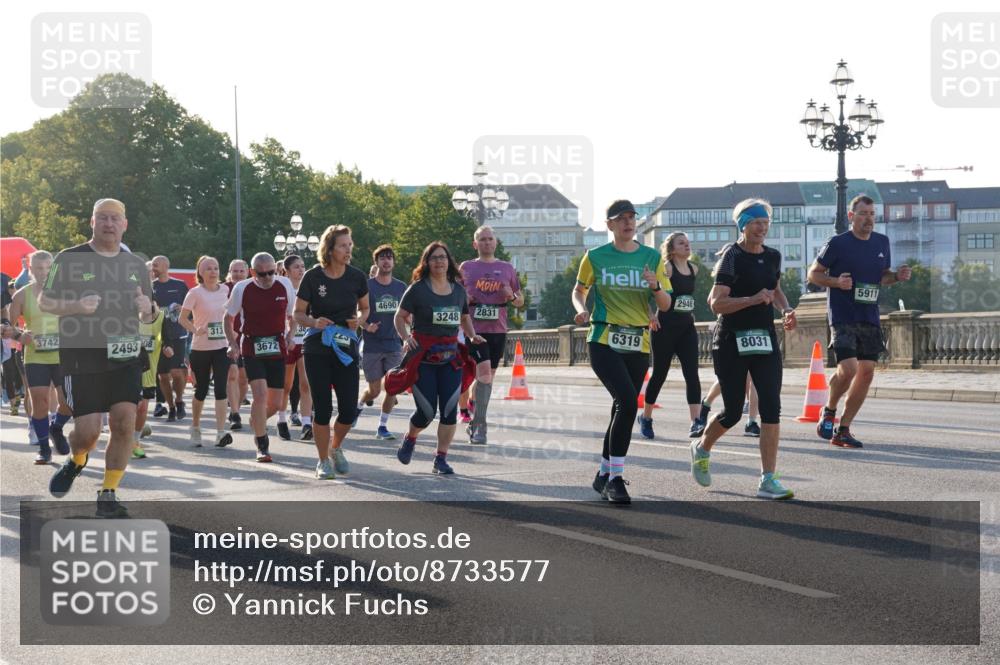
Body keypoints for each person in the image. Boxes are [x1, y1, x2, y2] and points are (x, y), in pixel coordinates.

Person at [39, 198, 155, 517]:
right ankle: (77, 460)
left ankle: (108, 492)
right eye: (102, 218)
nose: (108, 223)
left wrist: (149, 310)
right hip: (82, 355)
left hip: (126, 352)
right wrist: (76, 306)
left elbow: (148, 313)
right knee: (88, 432)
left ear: (124, 224)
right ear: (92, 222)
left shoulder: (134, 264)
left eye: (115, 218)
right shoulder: (70, 258)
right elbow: (45, 301)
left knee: (123, 423)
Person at [689, 198, 797, 500]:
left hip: (764, 340)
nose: (762, 228)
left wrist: (786, 309)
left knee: (771, 407)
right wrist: (751, 299)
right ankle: (702, 447)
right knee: (734, 411)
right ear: (743, 225)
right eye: (756, 222)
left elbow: (775, 290)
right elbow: (716, 303)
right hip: (731, 341)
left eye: (766, 222)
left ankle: (768, 479)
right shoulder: (731, 257)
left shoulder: (773, 256)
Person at [572, 200, 672, 505]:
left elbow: (666, 304)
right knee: (629, 403)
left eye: (632, 218)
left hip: (638, 341)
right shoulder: (596, 257)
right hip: (603, 336)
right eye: (621, 219)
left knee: (621, 406)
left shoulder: (651, 257)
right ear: (610, 225)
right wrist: (580, 310)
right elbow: (579, 290)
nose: (628, 223)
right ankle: (615, 478)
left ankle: (603, 474)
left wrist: (655, 287)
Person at [808, 194, 911, 448]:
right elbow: (814, 274)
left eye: (872, 214)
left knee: (866, 373)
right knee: (850, 369)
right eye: (863, 214)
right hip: (843, 315)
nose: (869, 219)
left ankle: (843, 429)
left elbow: (882, 276)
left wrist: (897, 276)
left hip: (869, 316)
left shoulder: (881, 242)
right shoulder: (838, 243)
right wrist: (836, 282)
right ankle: (829, 409)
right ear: (852, 216)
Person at [391, 242, 483, 475]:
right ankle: (411, 437)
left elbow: (464, 318)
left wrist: (472, 336)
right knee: (427, 412)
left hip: (451, 359)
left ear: (448, 261)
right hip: (423, 359)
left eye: (442, 257)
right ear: (427, 262)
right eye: (434, 258)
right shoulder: (417, 289)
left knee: (450, 411)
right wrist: (404, 337)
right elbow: (400, 317)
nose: (439, 262)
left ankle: (440, 458)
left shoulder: (459, 290)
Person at [294, 225, 369, 479]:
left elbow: (365, 309)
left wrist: (358, 320)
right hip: (317, 347)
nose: (348, 250)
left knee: (348, 410)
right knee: (323, 410)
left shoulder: (357, 277)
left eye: (350, 244)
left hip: (346, 346)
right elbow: (298, 313)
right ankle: (323, 460)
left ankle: (335, 447)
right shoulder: (313, 277)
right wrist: (314, 322)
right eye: (343, 245)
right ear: (329, 249)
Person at [225, 253, 296, 462]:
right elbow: (227, 317)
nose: (267, 278)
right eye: (262, 274)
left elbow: (293, 317)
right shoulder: (242, 288)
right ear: (253, 272)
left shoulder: (284, 285)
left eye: (271, 272)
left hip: (277, 346)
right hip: (252, 345)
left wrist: (291, 336)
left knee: (274, 404)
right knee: (260, 396)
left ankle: (257, 420)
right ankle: (262, 444)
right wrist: (232, 343)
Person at [459, 226, 523, 445]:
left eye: (490, 239)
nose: (487, 243)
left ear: (496, 243)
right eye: (482, 239)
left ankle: (473, 413)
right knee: (484, 375)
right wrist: (463, 300)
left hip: (498, 330)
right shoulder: (466, 267)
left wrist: (512, 296)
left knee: (487, 378)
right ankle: (480, 427)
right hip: (474, 330)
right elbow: (452, 297)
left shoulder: (506, 268)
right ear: (475, 244)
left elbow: (520, 301)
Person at [7, 251, 74, 463]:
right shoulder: (21, 295)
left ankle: (56, 428)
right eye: (38, 268)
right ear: (30, 269)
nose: (43, 272)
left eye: (47, 268)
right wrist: (20, 335)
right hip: (35, 356)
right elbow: (8, 327)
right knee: (40, 402)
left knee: (70, 402)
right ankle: (44, 448)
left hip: (63, 355)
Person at [638, 232, 704, 440]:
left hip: (686, 328)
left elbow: (686, 297)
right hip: (664, 328)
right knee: (660, 374)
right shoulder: (666, 268)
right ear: (672, 249)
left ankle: (695, 422)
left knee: (692, 373)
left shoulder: (694, 268)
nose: (687, 245)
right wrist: (650, 315)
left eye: (688, 242)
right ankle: (646, 417)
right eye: (681, 243)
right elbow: (645, 292)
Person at [180, 256, 234, 448]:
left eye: (216, 268)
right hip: (200, 347)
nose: (213, 271)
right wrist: (196, 330)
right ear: (200, 273)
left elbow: (232, 314)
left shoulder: (227, 290)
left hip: (222, 347)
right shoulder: (195, 293)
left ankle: (221, 432)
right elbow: (182, 319)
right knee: (201, 390)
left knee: (221, 388)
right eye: (208, 268)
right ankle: (195, 427)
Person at [357, 244, 407, 440]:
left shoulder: (401, 287)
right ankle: (359, 404)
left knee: (393, 386)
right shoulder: (367, 286)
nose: (386, 261)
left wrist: (407, 327)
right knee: (375, 390)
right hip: (372, 345)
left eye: (389, 258)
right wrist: (366, 326)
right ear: (376, 262)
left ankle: (382, 426)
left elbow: (406, 313)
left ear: (393, 262)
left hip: (394, 344)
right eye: (382, 258)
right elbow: (358, 311)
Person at [278, 254, 313, 441]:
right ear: (287, 270)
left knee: (306, 383)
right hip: (287, 342)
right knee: (286, 384)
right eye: (296, 267)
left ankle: (307, 422)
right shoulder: (283, 289)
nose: (300, 270)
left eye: (302, 266)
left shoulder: (309, 289)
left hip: (306, 341)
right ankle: (282, 419)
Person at [151, 255, 189, 421]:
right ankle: (171, 406)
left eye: (156, 265)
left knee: (177, 372)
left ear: (166, 266)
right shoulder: (150, 287)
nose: (153, 268)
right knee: (163, 376)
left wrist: (184, 309)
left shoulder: (179, 286)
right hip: (158, 337)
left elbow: (192, 309)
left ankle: (179, 400)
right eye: (152, 265)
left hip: (178, 334)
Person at [134, 264, 164, 459]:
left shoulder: (159, 315)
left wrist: (169, 346)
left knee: (143, 406)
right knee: (125, 406)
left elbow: (166, 335)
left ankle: (135, 438)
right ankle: (124, 437)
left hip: (148, 369)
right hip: (123, 366)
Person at [224, 259, 249, 430]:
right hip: (228, 337)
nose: (238, 274)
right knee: (232, 374)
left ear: (247, 272)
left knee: (243, 378)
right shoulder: (224, 289)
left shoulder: (252, 287)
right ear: (229, 272)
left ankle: (237, 408)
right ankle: (234, 413)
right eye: (235, 271)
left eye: (241, 271)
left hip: (247, 337)